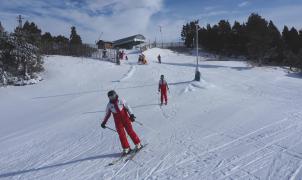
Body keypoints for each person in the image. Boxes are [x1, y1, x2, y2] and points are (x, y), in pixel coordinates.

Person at [101, 90, 142, 155]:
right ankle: (126, 148)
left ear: (115, 95)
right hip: (118, 122)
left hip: (125, 119)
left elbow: (128, 107)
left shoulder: (121, 100)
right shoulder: (109, 105)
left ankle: (138, 144)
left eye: (113, 96)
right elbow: (107, 114)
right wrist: (104, 122)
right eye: (110, 97)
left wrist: (131, 115)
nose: (112, 98)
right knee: (121, 134)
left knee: (130, 131)